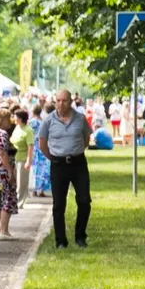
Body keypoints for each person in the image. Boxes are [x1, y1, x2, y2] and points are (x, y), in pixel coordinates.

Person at [38, 89, 92, 249]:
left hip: (78, 163)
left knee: (84, 200)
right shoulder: (48, 121)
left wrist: (75, 150)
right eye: (58, 101)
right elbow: (42, 143)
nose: (61, 104)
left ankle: (80, 236)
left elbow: (86, 139)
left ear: (71, 102)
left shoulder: (80, 119)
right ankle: (60, 240)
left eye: (65, 101)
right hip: (58, 164)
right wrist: (53, 157)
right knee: (58, 204)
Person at [0, 108, 19, 235]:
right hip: (3, 170)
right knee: (7, 199)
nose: (11, 121)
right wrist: (10, 171)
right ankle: (4, 230)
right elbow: (2, 153)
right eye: (8, 118)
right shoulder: (2, 134)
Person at [11, 108, 33, 207]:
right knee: (15, 181)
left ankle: (20, 202)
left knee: (21, 182)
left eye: (15, 117)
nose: (13, 119)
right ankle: (15, 200)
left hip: (22, 158)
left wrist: (29, 160)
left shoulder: (28, 130)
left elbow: (30, 146)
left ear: (20, 118)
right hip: (14, 157)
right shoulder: (17, 127)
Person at [30, 105, 52, 197]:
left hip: (33, 146)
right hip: (42, 145)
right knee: (42, 168)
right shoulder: (43, 122)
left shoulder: (31, 122)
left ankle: (34, 190)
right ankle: (41, 190)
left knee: (35, 168)